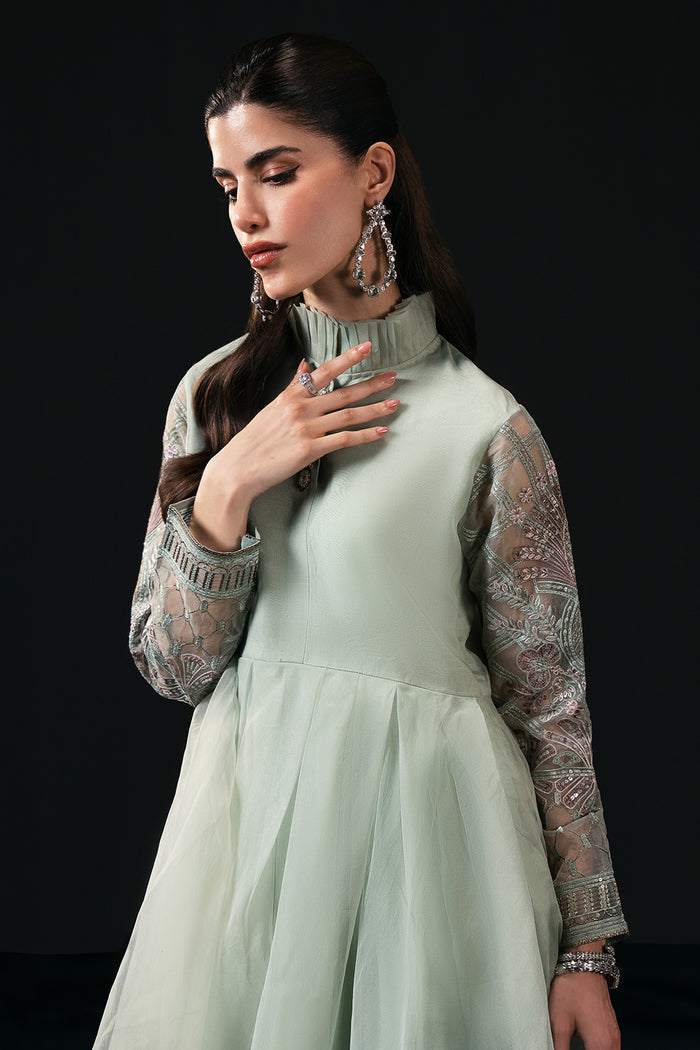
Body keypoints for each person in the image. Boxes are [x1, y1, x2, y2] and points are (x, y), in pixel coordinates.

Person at [94, 32, 628, 1050]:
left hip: (435, 870)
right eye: (227, 185)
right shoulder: (213, 400)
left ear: (373, 172)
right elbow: (173, 667)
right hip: (245, 872)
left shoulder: (488, 430)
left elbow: (551, 711)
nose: (245, 214)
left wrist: (585, 954)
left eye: (277, 172)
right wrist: (230, 482)